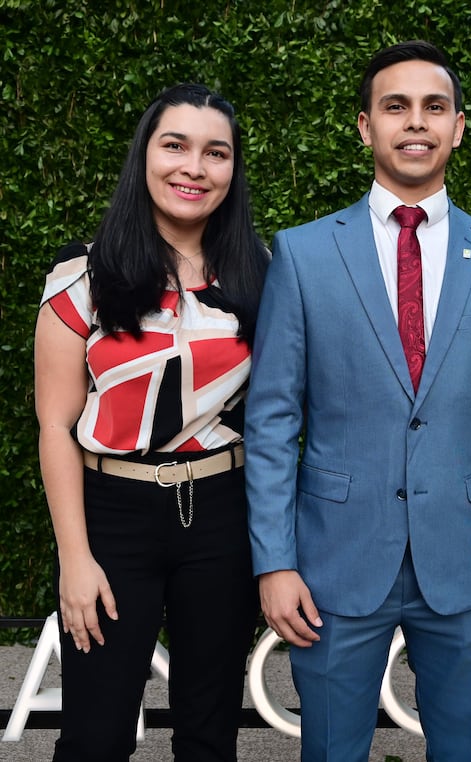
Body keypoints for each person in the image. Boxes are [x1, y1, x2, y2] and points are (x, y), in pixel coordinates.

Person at [243, 40, 471, 762]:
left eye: (434, 107)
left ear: (459, 127)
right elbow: (272, 421)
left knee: (465, 751)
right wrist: (274, 561)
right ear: (364, 126)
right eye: (396, 107)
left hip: (469, 561)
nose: (416, 122)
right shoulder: (304, 253)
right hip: (332, 562)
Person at [34, 83, 270, 761]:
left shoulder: (263, 277)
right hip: (112, 516)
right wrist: (74, 560)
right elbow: (55, 426)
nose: (194, 167)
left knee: (208, 732)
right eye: (175, 146)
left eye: (215, 153)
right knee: (95, 737)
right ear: (145, 156)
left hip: (224, 511)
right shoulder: (81, 279)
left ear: (232, 169)